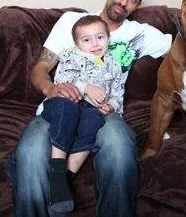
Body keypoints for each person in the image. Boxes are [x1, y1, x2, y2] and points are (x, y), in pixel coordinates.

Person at [6, 0, 173, 217]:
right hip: (63, 103)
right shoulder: (72, 22)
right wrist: (51, 88)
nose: (125, 1)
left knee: (119, 145)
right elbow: (40, 68)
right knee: (30, 149)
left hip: (104, 110)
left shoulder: (141, 34)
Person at [40, 15, 125, 215]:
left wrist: (111, 106)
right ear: (77, 44)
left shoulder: (114, 65)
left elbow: (118, 94)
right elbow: (62, 80)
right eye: (86, 40)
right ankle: (58, 169)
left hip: (91, 110)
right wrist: (86, 87)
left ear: (108, 38)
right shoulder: (72, 56)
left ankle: (63, 181)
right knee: (67, 110)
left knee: (95, 120)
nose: (95, 44)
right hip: (66, 103)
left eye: (100, 37)